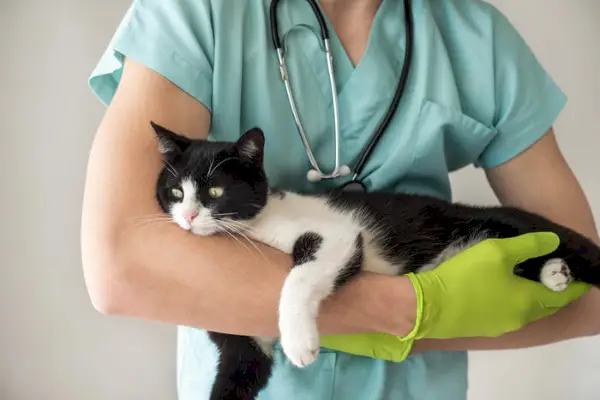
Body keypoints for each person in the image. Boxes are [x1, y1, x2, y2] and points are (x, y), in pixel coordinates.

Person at [81, 0, 600, 399]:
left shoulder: (475, 36)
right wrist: (413, 310)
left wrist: (435, 312)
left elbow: (590, 295)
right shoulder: (198, 12)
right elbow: (121, 265)